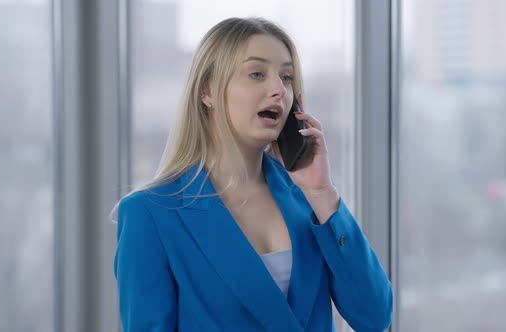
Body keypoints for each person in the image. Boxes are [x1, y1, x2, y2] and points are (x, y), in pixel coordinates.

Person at [113, 17, 393, 332]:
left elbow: (374, 316)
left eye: (287, 77)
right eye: (257, 73)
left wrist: (322, 193)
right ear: (208, 90)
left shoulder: (308, 200)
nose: (278, 89)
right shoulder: (151, 213)